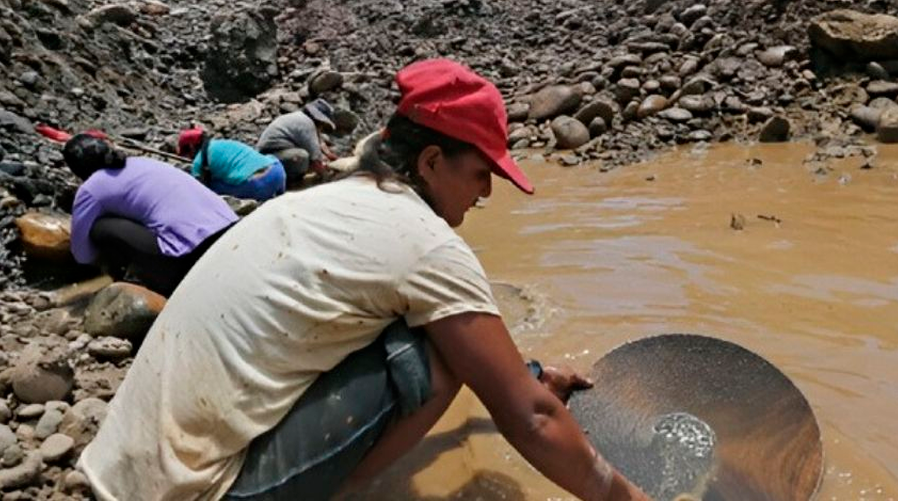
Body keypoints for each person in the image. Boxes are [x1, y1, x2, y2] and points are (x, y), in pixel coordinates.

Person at [78, 59, 648, 501]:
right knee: (439, 349)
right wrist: (627, 494)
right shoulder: (426, 243)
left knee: (417, 325)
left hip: (125, 473)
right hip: (201, 490)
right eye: (480, 173)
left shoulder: (320, 204)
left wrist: (528, 373)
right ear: (429, 162)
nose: (486, 193)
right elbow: (531, 418)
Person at [64, 133, 238, 297]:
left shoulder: (91, 188)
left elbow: (82, 254)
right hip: (232, 234)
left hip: (191, 256)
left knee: (99, 228)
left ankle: (131, 281)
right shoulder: (141, 162)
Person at [178, 127, 286, 202]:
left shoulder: (199, 161)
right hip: (277, 173)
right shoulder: (222, 143)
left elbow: (200, 192)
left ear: (191, 147)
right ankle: (281, 194)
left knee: (212, 187)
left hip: (257, 186)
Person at [256, 98, 337, 184]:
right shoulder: (307, 124)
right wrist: (326, 176)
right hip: (269, 157)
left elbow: (320, 143)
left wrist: (332, 157)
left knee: (306, 160)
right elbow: (316, 158)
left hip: (273, 154)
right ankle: (287, 181)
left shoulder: (302, 118)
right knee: (302, 157)